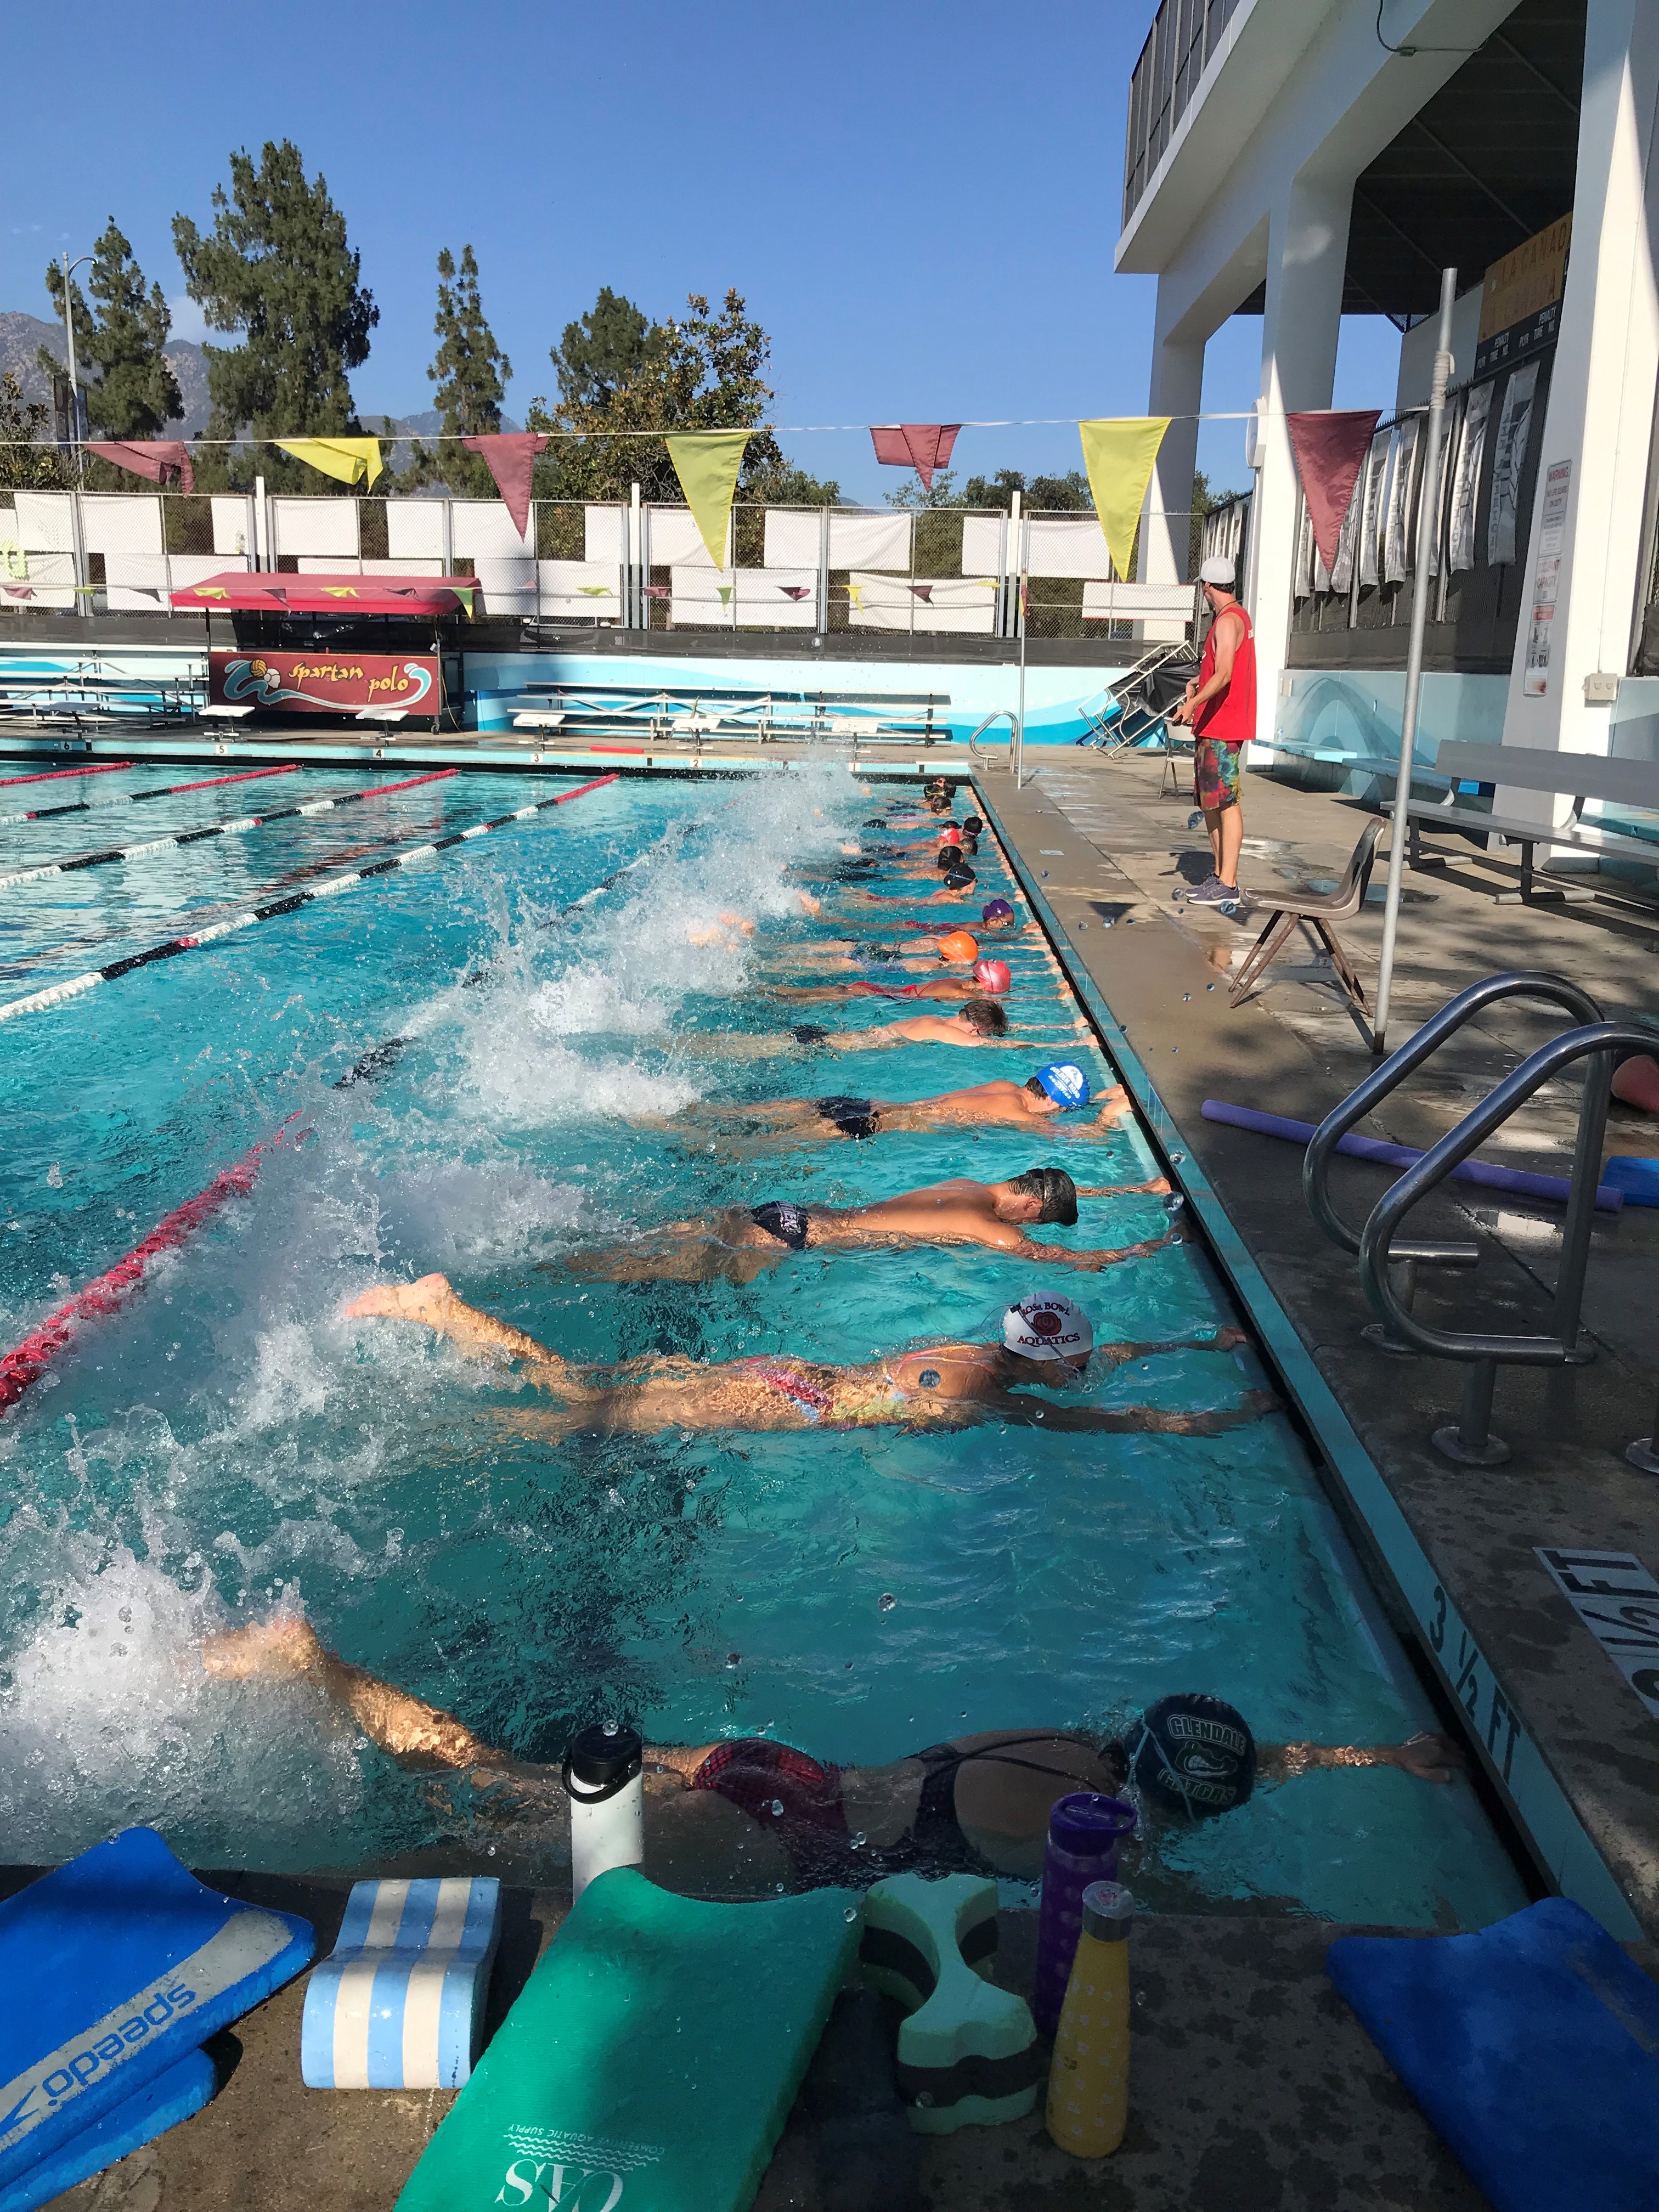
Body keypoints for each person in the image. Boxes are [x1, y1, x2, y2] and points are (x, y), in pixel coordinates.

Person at [202, 1625, 1462, 1888]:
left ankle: (309, 1663)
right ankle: (281, 1901)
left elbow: (1269, 1752)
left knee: (492, 1775)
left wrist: (1375, 1758)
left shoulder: (1084, 1739)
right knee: (491, 1864)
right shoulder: (1106, 1835)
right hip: (777, 1844)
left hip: (777, 1768)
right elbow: (1160, 1907)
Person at [340, 1282, 1276, 1441]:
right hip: (790, 1403)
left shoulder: (990, 1351)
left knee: (594, 1390)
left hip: (790, 1370)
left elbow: (1101, 1362)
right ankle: (446, 1335)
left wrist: (1198, 1342)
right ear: (1055, 1362)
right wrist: (1214, 1418)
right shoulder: (1004, 1393)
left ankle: (445, 1318)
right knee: (572, 1411)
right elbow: (1099, 1417)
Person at [554, 1165, 1190, 1282]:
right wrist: (1154, 1244)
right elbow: (1071, 1262)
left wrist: (1133, 1186)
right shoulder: (994, 1229)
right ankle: (537, 1267)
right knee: (617, 1269)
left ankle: (549, 1240)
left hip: (791, 1213)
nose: (1034, 1231)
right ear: (1030, 1209)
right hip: (792, 1240)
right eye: (1041, 1223)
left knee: (634, 1246)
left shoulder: (965, 1185)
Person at [653, 1063, 1132, 1147]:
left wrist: (1099, 1096)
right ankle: (688, 1135)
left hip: (869, 1102)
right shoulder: (1021, 1117)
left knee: (783, 1113)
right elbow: (1077, 1138)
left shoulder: (1006, 1086)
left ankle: (692, 1114)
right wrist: (1109, 1117)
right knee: (776, 1147)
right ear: (1052, 1101)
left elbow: (1058, 1110)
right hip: (871, 1126)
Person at [1170, 555, 1256, 907]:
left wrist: (1191, 705)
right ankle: (1220, 877)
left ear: (1207, 587)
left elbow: (1225, 676)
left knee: (1226, 803)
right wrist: (1195, 683)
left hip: (1222, 726)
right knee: (1211, 804)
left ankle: (1229, 881)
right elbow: (1216, 672)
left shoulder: (1227, 621)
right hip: (1214, 725)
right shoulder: (1236, 618)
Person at [769, 957, 1012, 1005]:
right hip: (875, 995)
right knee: (794, 1001)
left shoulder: (959, 982)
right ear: (984, 986)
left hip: (875, 989)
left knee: (796, 996)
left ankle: (773, 991)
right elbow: (978, 999)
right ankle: (776, 996)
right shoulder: (961, 994)